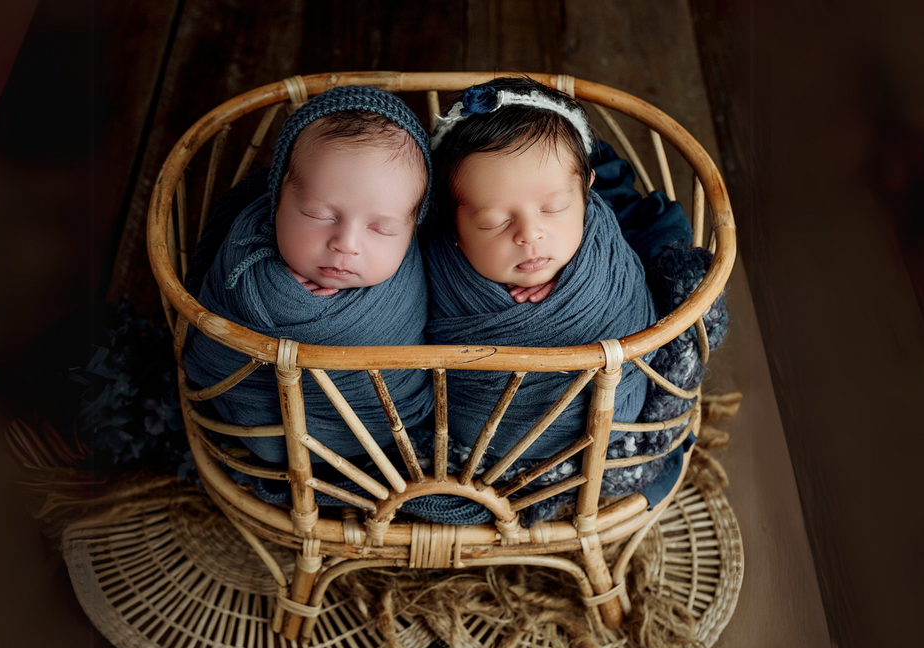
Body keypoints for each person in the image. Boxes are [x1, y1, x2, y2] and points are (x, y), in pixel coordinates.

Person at [420, 76, 665, 523]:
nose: (530, 234)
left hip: (608, 428)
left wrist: (575, 286)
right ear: (452, 224)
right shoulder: (430, 263)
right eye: (493, 221)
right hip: (476, 451)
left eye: (553, 209)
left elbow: (635, 298)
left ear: (587, 189)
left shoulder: (603, 248)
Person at [183, 85, 434, 465]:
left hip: (381, 429)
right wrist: (278, 290)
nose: (346, 244)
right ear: (278, 196)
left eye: (381, 229)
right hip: (262, 423)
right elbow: (210, 343)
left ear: (415, 225)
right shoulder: (245, 257)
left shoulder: (416, 271)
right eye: (320, 215)